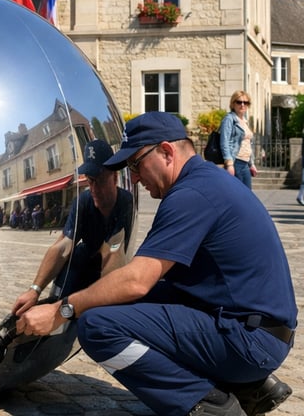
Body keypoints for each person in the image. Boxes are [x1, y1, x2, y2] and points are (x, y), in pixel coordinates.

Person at [15, 112, 296, 416]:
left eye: (135, 164)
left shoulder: (190, 194)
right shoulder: (205, 181)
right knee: (120, 302)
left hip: (249, 341)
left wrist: (62, 310)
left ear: (166, 151)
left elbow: (136, 279)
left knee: (98, 326)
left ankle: (210, 406)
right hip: (256, 328)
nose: (134, 177)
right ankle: (250, 387)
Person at [11, 139, 133, 318]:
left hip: (108, 265)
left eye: (99, 181)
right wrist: (34, 290)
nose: (93, 188)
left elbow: (113, 254)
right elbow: (63, 246)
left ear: (114, 178)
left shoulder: (125, 202)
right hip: (84, 257)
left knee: (98, 314)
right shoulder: (83, 201)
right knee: (61, 290)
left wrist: (77, 307)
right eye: (89, 181)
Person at [219, 90, 257, 189]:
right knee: (239, 195)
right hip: (236, 162)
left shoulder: (244, 121)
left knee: (247, 194)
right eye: (239, 102)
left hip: (245, 163)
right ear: (233, 103)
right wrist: (229, 164)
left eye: (246, 102)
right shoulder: (229, 119)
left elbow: (248, 143)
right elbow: (224, 142)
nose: (242, 105)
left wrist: (251, 164)